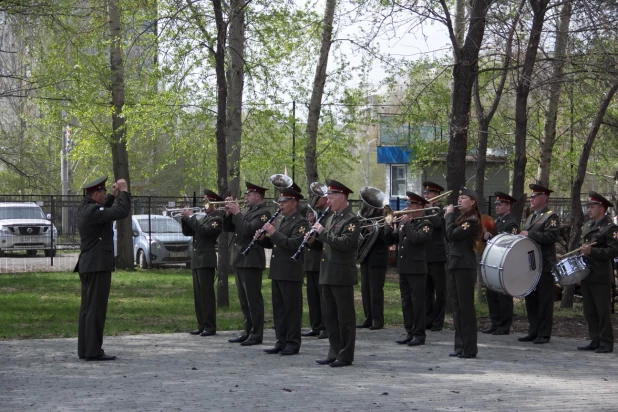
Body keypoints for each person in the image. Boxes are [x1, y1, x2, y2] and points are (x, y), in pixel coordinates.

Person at [75, 174, 131, 361]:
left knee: (88, 308)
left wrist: (113, 196)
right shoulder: (93, 211)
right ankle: (93, 350)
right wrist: (124, 192)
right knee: (96, 309)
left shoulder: (86, 208)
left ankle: (86, 348)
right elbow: (121, 212)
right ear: (96, 193)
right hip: (97, 264)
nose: (105, 193)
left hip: (89, 264)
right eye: (103, 191)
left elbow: (103, 210)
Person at [312, 179, 360, 368]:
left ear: (342, 198)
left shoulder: (351, 219)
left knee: (344, 317)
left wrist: (323, 233)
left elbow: (345, 243)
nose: (328, 201)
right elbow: (327, 245)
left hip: (341, 275)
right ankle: (333, 351)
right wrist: (313, 242)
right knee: (330, 316)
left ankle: (345, 355)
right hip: (327, 273)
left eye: (331, 198)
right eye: (328, 198)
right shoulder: (331, 217)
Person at [258, 188, 308, 355]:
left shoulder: (300, 223)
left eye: (284, 201)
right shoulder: (281, 220)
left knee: (292, 310)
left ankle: (293, 343)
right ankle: (281, 341)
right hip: (278, 270)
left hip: (290, 271)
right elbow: (276, 244)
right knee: (279, 309)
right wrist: (263, 239)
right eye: (280, 202)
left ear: (294, 203)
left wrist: (273, 232)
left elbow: (293, 244)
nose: (281, 204)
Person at [223, 182, 272, 346]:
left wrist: (237, 213)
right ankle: (247, 330)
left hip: (251, 260)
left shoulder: (264, 213)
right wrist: (229, 214)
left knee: (253, 300)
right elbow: (228, 228)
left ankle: (257, 334)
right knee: (243, 300)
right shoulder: (247, 211)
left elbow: (248, 230)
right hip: (239, 259)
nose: (245, 197)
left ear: (257, 196)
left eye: (248, 194)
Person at [384, 192, 433, 346]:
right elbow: (391, 239)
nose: (407, 208)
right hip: (404, 268)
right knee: (406, 302)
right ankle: (409, 332)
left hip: (417, 269)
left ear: (420, 206)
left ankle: (419, 334)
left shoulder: (426, 223)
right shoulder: (406, 223)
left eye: (411, 205)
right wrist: (387, 226)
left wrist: (407, 224)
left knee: (418, 302)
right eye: (407, 205)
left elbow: (417, 239)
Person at [576, 192, 618, 353]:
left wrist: (592, 252)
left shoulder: (611, 227)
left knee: (602, 310)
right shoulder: (588, 225)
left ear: (602, 208)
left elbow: (613, 251)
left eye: (592, 206)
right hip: (587, 272)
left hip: (600, 275)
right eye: (588, 206)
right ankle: (595, 339)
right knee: (589, 310)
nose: (589, 209)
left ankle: (606, 342)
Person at [518, 184, 560, 345]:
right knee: (531, 299)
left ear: (544, 198)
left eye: (535, 196)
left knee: (544, 300)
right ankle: (533, 330)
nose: (532, 199)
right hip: (531, 263)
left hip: (544, 263)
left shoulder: (551, 216)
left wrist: (530, 234)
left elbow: (551, 236)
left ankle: (544, 333)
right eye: (531, 196)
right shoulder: (531, 217)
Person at [444, 187, 481, 359]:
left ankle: (470, 348)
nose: (459, 200)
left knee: (466, 308)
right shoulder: (461, 217)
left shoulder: (472, 220)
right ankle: (459, 345)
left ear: (472, 201)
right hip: (455, 264)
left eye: (463, 197)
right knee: (457, 308)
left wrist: (448, 215)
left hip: (465, 266)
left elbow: (452, 234)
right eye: (458, 198)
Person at [181, 189, 223, 337]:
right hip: (197, 260)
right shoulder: (205, 217)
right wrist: (185, 219)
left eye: (207, 201)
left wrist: (192, 217)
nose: (204, 204)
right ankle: (201, 324)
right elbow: (189, 232)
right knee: (198, 296)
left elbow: (204, 231)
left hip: (206, 260)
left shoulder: (216, 219)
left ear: (215, 204)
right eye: (204, 201)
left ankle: (210, 326)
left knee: (207, 295)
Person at [480, 191, 519, 336]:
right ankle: (495, 323)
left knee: (503, 296)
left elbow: (510, 242)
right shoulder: (497, 222)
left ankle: (504, 325)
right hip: (494, 262)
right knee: (492, 294)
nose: (496, 207)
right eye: (496, 204)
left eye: (500, 204)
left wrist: (492, 237)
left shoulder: (511, 223)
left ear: (508, 206)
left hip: (505, 263)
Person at [357, 205, 388, 331]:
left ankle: (377, 320)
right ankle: (368, 318)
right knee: (365, 290)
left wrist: (375, 230)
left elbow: (388, 237)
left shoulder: (385, 213)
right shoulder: (365, 213)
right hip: (366, 257)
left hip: (378, 258)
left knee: (375, 291)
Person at [302, 194, 329, 339]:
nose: (315, 200)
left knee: (323, 298)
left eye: (319, 198)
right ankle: (316, 325)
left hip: (322, 261)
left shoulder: (328, 215)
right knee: (312, 298)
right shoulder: (315, 215)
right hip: (311, 262)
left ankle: (325, 326)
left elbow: (326, 241)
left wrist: (315, 240)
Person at [422, 182, 447, 332]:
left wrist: (428, 211)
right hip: (425, 255)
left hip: (437, 256)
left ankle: (438, 321)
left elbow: (439, 225)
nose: (426, 196)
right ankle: (428, 320)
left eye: (429, 194)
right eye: (425, 194)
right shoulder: (424, 210)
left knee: (440, 291)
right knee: (427, 292)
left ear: (437, 195)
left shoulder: (442, 210)